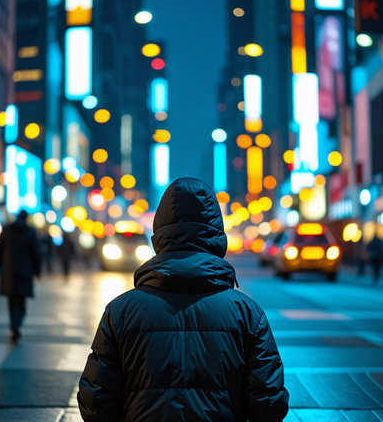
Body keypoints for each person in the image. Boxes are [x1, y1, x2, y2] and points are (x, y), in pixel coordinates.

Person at [78, 177, 289, 422]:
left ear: (159, 233)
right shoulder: (247, 313)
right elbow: (269, 403)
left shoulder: (121, 311)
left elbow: (95, 400)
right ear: (216, 234)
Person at [0, 209, 41, 342]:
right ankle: (16, 324)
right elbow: (36, 253)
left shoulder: (6, 229)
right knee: (21, 301)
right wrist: (37, 271)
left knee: (11, 299)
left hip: (9, 270)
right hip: (25, 270)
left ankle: (13, 325)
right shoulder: (30, 231)